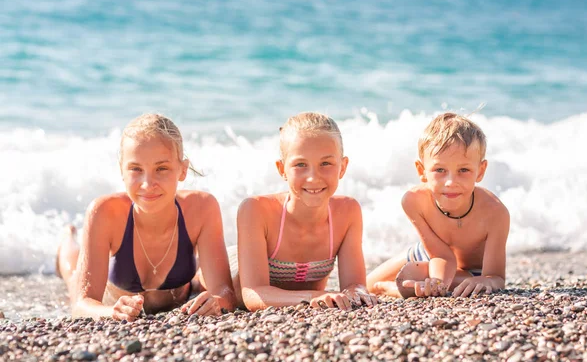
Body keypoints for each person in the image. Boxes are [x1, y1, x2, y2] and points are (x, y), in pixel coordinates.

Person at [56, 113, 236, 320]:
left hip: (179, 296)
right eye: (135, 169)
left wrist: (214, 302)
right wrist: (111, 312)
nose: (147, 184)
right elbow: (81, 305)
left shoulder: (202, 208)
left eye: (161, 168)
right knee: (73, 276)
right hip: (111, 298)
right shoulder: (105, 212)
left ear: (183, 170)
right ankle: (66, 240)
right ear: (122, 171)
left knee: (201, 282)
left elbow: (225, 295)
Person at [236, 112, 377, 311]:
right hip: (233, 267)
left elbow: (355, 285)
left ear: (343, 167)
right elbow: (253, 294)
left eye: (326, 164)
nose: (313, 177)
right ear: (282, 169)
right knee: (198, 283)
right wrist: (317, 296)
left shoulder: (347, 212)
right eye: (300, 164)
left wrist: (356, 292)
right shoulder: (257, 210)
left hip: (302, 298)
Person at [366, 112, 509, 298]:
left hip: (470, 271)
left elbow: (496, 278)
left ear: (480, 171)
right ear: (422, 170)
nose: (450, 181)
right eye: (439, 170)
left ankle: (408, 284)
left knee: (461, 285)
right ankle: (411, 282)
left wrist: (485, 280)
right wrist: (438, 282)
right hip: (430, 253)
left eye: (463, 170)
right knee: (368, 284)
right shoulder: (413, 201)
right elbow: (441, 255)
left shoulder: (495, 213)